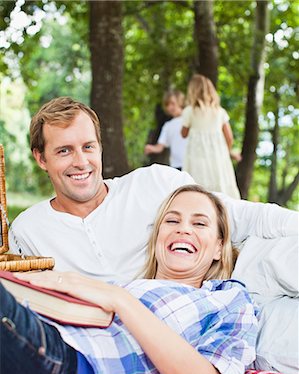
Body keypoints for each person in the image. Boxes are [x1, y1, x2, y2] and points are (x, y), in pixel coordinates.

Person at [0, 185, 258, 374]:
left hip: (60, 367)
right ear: (158, 237)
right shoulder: (123, 285)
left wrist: (120, 301)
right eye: (172, 221)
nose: (183, 230)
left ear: (218, 247)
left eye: (199, 223)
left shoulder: (227, 298)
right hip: (32, 341)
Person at [8, 97, 298, 281]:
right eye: (64, 151)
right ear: (41, 158)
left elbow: (242, 216)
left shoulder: (155, 183)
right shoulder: (29, 230)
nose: (81, 162)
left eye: (88, 147)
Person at [181, 74, 241, 199]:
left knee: (198, 184)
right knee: (221, 183)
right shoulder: (219, 112)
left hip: (197, 157)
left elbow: (183, 134)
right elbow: (229, 137)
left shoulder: (189, 111)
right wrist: (227, 151)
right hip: (218, 156)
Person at [144, 90, 188, 170]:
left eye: (172, 103)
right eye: (167, 105)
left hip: (191, 163)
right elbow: (160, 147)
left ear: (180, 102)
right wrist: (151, 148)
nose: (170, 107)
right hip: (176, 165)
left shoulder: (189, 119)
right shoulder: (167, 126)